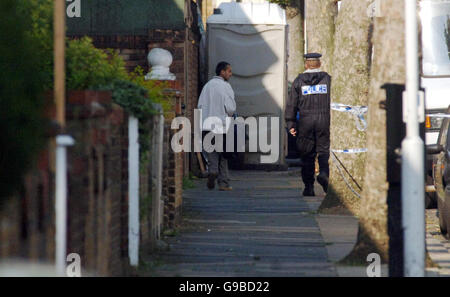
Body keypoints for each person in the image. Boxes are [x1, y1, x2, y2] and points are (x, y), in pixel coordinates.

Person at [285, 53, 331, 196]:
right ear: (319, 64)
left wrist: (291, 123)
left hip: (305, 121)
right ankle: (323, 173)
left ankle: (309, 187)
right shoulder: (327, 80)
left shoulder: (298, 81)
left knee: (307, 155)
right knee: (323, 150)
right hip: (324, 119)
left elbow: (292, 104)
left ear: (306, 65)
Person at [198, 61, 236, 191]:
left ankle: (212, 171)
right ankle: (223, 183)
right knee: (224, 154)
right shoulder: (226, 87)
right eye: (229, 71)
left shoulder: (207, 86)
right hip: (221, 125)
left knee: (212, 152)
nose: (231, 74)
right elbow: (230, 108)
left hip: (207, 125)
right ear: (222, 72)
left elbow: (200, 106)